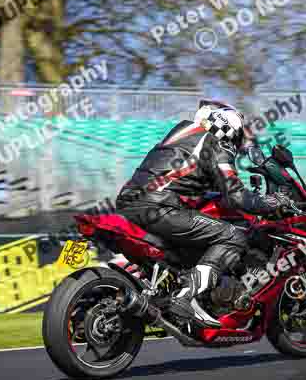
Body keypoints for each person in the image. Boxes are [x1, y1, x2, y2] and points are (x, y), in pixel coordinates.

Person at [115, 99, 293, 326]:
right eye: (238, 137)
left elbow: (188, 177)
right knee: (233, 236)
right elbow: (236, 195)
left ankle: (175, 292)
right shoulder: (216, 145)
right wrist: (271, 202)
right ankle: (184, 297)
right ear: (230, 128)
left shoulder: (179, 134)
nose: (237, 145)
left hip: (129, 202)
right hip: (160, 208)